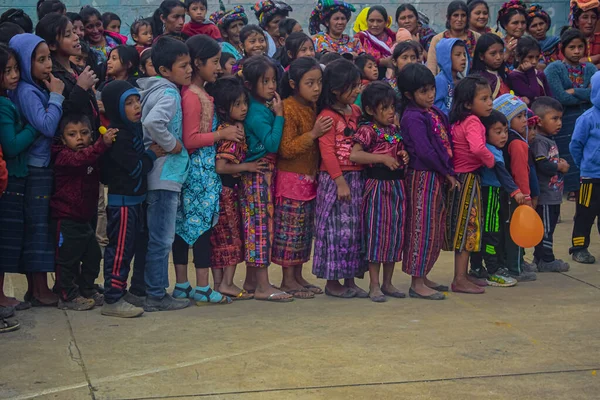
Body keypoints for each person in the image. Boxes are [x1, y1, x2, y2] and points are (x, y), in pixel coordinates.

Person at [173, 35, 240, 305]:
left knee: (191, 228)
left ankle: (184, 285)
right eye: (214, 62)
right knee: (198, 230)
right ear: (198, 63)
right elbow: (190, 139)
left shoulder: (202, 94)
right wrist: (219, 134)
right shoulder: (192, 96)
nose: (219, 68)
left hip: (204, 169)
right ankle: (198, 286)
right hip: (198, 170)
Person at [100, 80, 165, 317]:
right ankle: (112, 299)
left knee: (132, 249)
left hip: (135, 201)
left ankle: (122, 290)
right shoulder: (118, 136)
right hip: (123, 203)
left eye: (137, 100)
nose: (136, 106)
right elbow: (136, 168)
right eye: (129, 103)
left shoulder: (133, 129)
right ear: (116, 108)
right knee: (119, 251)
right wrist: (150, 154)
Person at [10, 33, 64, 306]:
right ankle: (40, 289)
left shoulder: (35, 88)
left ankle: (37, 288)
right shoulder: (27, 91)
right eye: (40, 60)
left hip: (42, 166)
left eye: (48, 59)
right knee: (38, 228)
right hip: (36, 168)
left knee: (40, 227)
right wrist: (56, 97)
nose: (47, 65)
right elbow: (45, 126)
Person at [138, 36, 192, 312]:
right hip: (163, 177)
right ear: (164, 71)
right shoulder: (169, 93)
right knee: (162, 239)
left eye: (189, 64)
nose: (189, 70)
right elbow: (152, 122)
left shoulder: (156, 89)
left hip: (160, 175)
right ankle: (156, 294)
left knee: (157, 237)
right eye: (183, 66)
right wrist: (173, 144)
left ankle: (151, 290)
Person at [273, 57, 331, 299]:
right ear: (295, 84)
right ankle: (287, 280)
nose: (316, 88)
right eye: (310, 83)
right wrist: (314, 134)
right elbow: (286, 148)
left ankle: (297, 276)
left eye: (319, 82)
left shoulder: (312, 107)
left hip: (308, 179)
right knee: (291, 232)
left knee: (304, 232)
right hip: (290, 180)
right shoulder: (288, 107)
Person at [397, 63, 456, 299]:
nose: (430, 94)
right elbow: (424, 151)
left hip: (436, 174)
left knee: (434, 227)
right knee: (421, 228)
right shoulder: (412, 117)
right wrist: (447, 171)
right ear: (410, 95)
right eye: (424, 91)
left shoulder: (431, 112)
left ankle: (424, 275)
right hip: (423, 176)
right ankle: (416, 281)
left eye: (432, 89)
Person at [349, 82, 409, 302]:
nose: (391, 111)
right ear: (371, 110)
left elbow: (398, 150)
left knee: (394, 235)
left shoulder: (394, 130)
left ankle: (388, 282)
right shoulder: (367, 131)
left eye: (392, 106)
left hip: (396, 187)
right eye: (385, 107)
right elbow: (355, 155)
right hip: (377, 187)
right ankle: (374, 285)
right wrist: (382, 158)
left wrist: (403, 156)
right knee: (376, 235)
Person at [239, 56, 292, 302]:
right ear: (250, 84)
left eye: (273, 81)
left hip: (260, 174)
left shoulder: (258, 106)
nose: (272, 86)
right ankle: (262, 285)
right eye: (265, 81)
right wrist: (279, 116)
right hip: (259, 175)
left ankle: (252, 281)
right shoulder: (256, 112)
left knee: (259, 225)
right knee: (260, 228)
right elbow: (271, 143)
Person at [313, 58, 367, 298]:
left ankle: (350, 278)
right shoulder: (327, 116)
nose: (357, 90)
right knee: (335, 232)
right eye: (352, 86)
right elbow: (327, 151)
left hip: (356, 177)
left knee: (354, 231)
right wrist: (339, 180)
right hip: (336, 180)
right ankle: (333, 282)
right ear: (335, 89)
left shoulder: (355, 111)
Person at [51, 114, 113, 311]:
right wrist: (101, 145)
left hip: (85, 218)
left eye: (84, 133)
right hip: (66, 217)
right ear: (63, 139)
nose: (79, 138)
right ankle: (66, 295)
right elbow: (81, 159)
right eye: (72, 134)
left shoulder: (92, 155)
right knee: (67, 259)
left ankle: (86, 288)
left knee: (93, 255)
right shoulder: (64, 156)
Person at [205, 77, 254, 300]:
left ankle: (219, 284)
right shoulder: (231, 133)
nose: (243, 108)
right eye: (237, 104)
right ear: (225, 108)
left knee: (219, 240)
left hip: (218, 192)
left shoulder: (225, 128)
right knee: (232, 238)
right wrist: (248, 166)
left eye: (245, 103)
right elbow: (222, 166)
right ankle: (227, 283)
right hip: (227, 192)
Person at [446, 76, 496, 294]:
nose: (489, 103)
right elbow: (476, 148)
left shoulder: (458, 121)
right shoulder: (473, 121)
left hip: (460, 177)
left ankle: (463, 274)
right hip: (468, 179)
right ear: (468, 103)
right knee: (468, 228)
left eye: (490, 98)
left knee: (464, 227)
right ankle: (459, 278)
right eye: (484, 99)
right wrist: (492, 160)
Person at [0, 43, 38, 310]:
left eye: (15, 69)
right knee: (5, 243)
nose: (14, 75)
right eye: (7, 71)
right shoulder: (3, 105)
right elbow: (11, 145)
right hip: (9, 179)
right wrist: (34, 128)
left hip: (13, 178)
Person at [468, 110, 522, 287]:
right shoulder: (491, 152)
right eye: (497, 132)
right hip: (491, 193)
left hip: (482, 192)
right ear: (485, 132)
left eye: (505, 131)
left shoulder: (489, 149)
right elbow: (502, 173)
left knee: (479, 232)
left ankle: (476, 268)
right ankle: (493, 270)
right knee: (492, 232)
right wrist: (516, 191)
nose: (504, 136)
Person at [545, 29, 595, 201]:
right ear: (562, 48)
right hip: (564, 119)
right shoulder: (554, 68)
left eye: (580, 47)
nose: (576, 51)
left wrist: (574, 91)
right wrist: (584, 94)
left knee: (586, 151)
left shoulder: (590, 68)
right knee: (568, 152)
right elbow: (560, 97)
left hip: (588, 119)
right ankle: (569, 189)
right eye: (572, 47)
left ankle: (583, 188)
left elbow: (595, 94)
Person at [493, 93, 539, 281]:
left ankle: (511, 263)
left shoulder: (506, 140)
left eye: (524, 116)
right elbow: (520, 173)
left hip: (506, 192)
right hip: (516, 195)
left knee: (507, 230)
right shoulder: (518, 143)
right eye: (518, 117)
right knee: (515, 232)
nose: (524, 121)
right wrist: (525, 197)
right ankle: (515, 268)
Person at [35, 13, 100, 136]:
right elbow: (63, 116)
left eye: (74, 32)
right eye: (68, 35)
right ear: (52, 45)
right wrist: (81, 88)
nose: (76, 37)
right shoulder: (52, 77)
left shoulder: (76, 69)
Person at [529, 97, 571, 271]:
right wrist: (559, 166)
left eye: (560, 118)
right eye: (554, 118)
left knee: (549, 227)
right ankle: (547, 260)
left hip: (553, 195)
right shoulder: (539, 141)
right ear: (539, 121)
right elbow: (543, 165)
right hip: (545, 195)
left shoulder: (548, 140)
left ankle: (539, 259)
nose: (559, 123)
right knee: (545, 229)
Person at [570, 70, 600, 264]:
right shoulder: (587, 118)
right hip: (590, 176)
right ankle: (579, 248)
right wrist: (583, 165)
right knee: (585, 212)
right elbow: (575, 145)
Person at [427, 1, 480, 75]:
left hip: (473, 83)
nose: (459, 19)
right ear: (448, 18)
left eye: (463, 15)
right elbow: (432, 68)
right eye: (455, 15)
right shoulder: (438, 39)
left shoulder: (476, 37)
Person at [354, 6, 395, 79]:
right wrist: (381, 62)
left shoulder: (393, 37)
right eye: (371, 21)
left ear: (386, 22)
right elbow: (358, 60)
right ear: (366, 21)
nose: (375, 25)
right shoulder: (360, 38)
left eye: (379, 21)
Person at [508, 37, 552, 105]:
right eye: (530, 57)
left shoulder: (540, 74)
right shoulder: (514, 76)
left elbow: (550, 95)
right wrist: (530, 73)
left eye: (537, 57)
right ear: (518, 57)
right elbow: (534, 95)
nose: (534, 61)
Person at [470, 33, 510, 99]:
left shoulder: (504, 73)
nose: (499, 57)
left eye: (501, 52)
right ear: (481, 56)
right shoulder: (478, 80)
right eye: (493, 54)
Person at [435, 38, 469, 116]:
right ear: (446, 58)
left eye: (464, 54)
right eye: (458, 55)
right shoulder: (440, 80)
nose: (463, 58)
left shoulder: (462, 81)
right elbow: (438, 107)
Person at [496, 0, 527, 69]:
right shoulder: (497, 45)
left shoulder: (530, 43)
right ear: (505, 25)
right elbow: (492, 67)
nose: (520, 27)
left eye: (523, 22)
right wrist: (507, 53)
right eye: (515, 23)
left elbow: (542, 66)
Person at [526, 3, 559, 68]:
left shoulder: (557, 44)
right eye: (534, 26)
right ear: (527, 30)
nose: (539, 28)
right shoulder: (525, 47)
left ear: (547, 25)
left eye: (541, 24)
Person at [569, 0, 600, 68]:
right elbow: (569, 64)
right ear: (576, 21)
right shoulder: (568, 41)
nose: (590, 22)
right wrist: (597, 58)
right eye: (585, 17)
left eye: (593, 17)